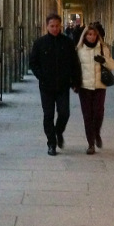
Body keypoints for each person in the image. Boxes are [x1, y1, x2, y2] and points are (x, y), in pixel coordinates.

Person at [29, 13, 82, 156]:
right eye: (52, 26)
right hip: (46, 86)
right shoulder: (40, 43)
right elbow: (33, 62)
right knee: (48, 115)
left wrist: (76, 82)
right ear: (47, 26)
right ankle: (51, 143)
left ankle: (58, 131)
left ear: (61, 26)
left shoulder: (67, 43)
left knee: (64, 112)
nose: (55, 29)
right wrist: (41, 76)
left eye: (57, 26)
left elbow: (74, 64)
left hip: (63, 85)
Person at [75, 23, 114, 154]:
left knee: (98, 113)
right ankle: (90, 143)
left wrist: (103, 60)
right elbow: (75, 68)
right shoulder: (79, 49)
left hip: (99, 86)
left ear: (98, 35)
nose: (91, 37)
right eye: (89, 34)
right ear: (85, 35)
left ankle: (97, 132)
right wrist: (74, 83)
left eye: (94, 35)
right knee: (87, 115)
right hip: (84, 87)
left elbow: (112, 66)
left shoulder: (103, 48)